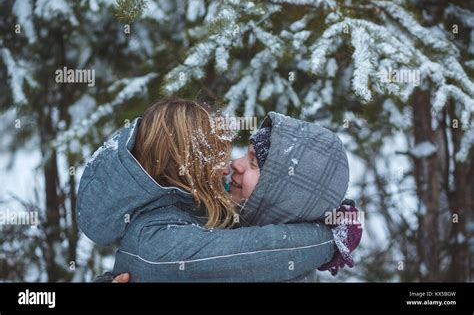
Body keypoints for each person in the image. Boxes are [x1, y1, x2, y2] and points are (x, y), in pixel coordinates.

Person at [78, 99, 361, 282]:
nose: (231, 166)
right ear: (184, 169)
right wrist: (328, 239)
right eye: (214, 162)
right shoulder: (156, 237)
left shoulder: (201, 215)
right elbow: (248, 254)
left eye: (252, 162)